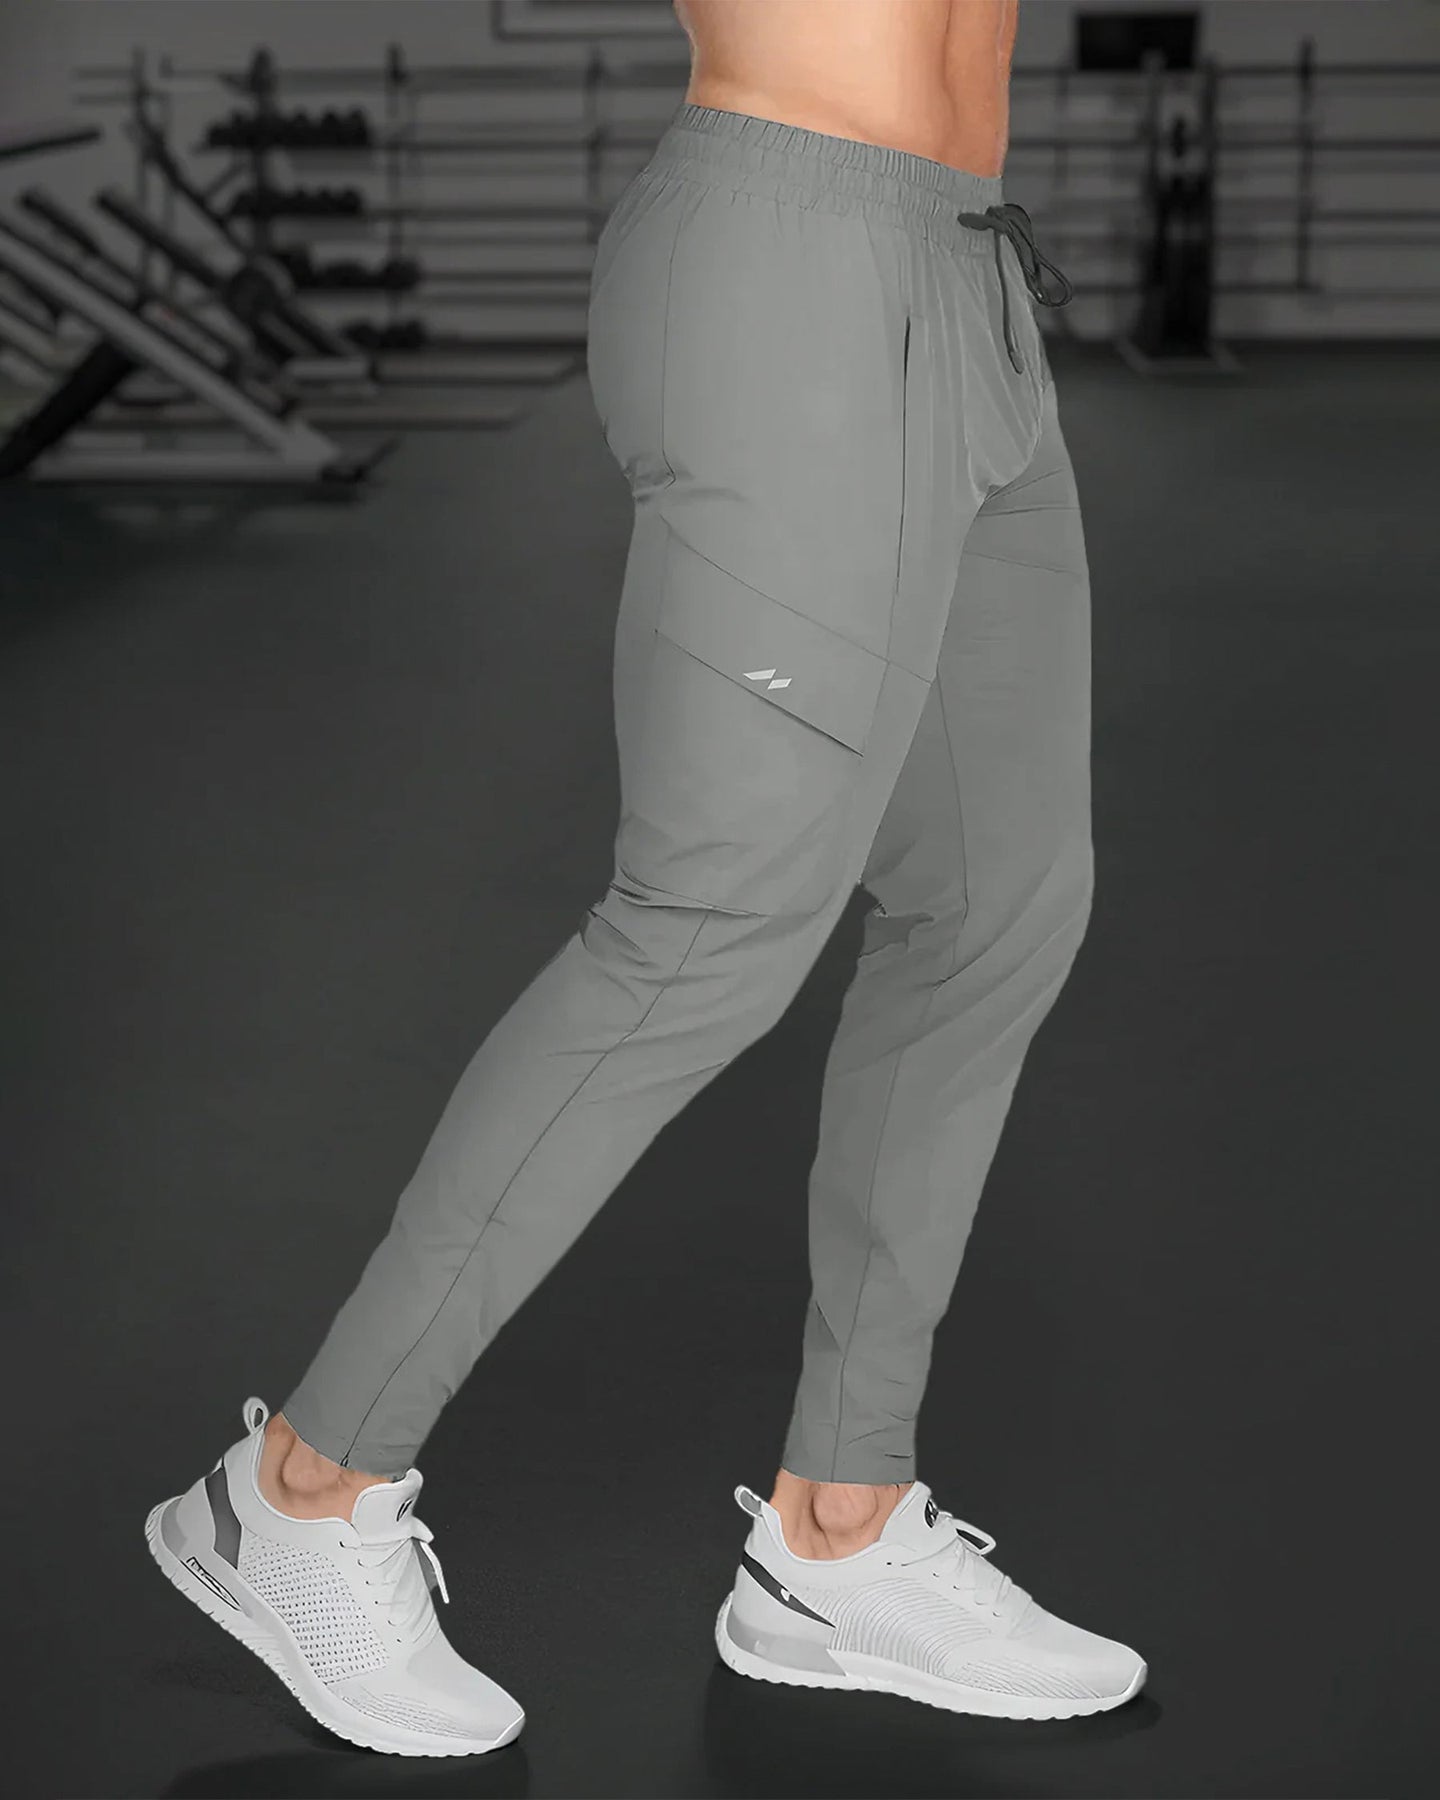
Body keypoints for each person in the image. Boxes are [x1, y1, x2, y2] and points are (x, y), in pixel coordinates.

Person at [145, 0, 1146, 1756]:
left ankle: (838, 1535)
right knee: (710, 924)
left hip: (967, 266)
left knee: (997, 907)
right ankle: (296, 1491)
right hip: (796, 262)